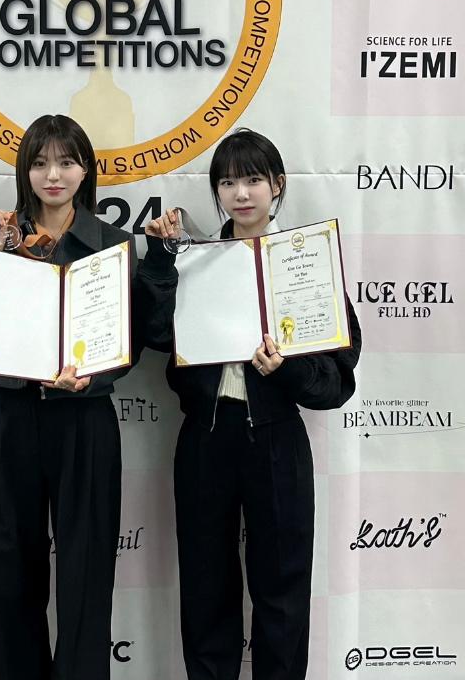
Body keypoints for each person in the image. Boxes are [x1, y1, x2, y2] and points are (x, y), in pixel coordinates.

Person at [0, 114, 176, 680]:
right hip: (12, 418)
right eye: (40, 163)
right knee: (10, 572)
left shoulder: (113, 245)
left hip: (85, 421)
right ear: (24, 171)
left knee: (86, 574)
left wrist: (91, 381)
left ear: (85, 171)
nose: (53, 175)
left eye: (66, 162)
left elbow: (130, 344)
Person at [147, 128, 362, 680]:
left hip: (276, 440)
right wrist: (161, 262)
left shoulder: (307, 265)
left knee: (282, 589)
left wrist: (285, 370)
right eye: (227, 182)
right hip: (204, 439)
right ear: (216, 192)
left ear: (277, 185)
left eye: (253, 180)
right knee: (205, 587)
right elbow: (154, 334)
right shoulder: (193, 260)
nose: (240, 194)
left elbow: (337, 383)